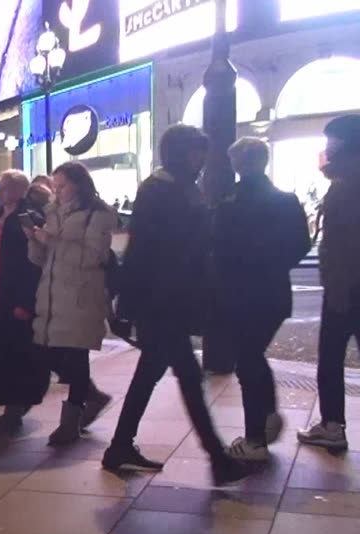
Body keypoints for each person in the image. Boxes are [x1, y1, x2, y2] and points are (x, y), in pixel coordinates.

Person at [104, 124, 248, 485]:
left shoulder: (182, 187)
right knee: (187, 376)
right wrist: (127, 302)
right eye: (195, 152)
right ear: (178, 153)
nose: (200, 160)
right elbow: (144, 250)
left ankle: (119, 447)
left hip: (172, 300)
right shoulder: (159, 189)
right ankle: (217, 457)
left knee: (149, 375)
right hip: (161, 301)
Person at [214, 138, 312, 460]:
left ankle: (256, 436)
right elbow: (301, 243)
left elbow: (219, 247)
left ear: (239, 164)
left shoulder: (231, 202)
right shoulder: (285, 200)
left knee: (248, 361)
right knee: (253, 355)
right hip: (273, 290)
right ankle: (267, 418)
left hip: (241, 292)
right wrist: (273, 262)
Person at [28, 161, 116, 445]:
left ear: (78, 184)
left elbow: (93, 257)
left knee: (76, 357)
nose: (58, 191)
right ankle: (91, 397)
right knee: (47, 353)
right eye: (55, 186)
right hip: (53, 294)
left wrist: (52, 241)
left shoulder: (97, 214)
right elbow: (42, 259)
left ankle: (70, 422)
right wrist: (35, 240)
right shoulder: (53, 211)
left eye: (63, 185)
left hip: (80, 295)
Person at [299, 115, 360, 450]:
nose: (326, 148)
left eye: (330, 141)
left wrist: (337, 289)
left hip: (347, 289)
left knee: (331, 357)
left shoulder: (345, 186)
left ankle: (332, 424)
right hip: (351, 285)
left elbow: (341, 246)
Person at [0, 171, 49, 433]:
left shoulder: (28, 219)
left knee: (17, 354)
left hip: (14, 297)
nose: (0, 191)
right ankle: (9, 404)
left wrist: (25, 302)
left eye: (5, 187)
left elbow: (33, 264)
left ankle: (15, 409)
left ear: (18, 190)